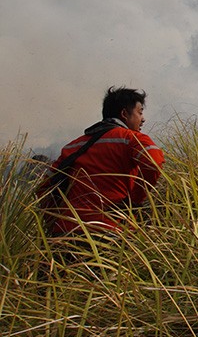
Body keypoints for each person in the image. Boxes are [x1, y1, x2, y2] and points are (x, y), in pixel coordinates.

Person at [45, 86, 164, 236]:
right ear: (124, 114)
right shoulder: (133, 139)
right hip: (109, 232)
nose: (143, 119)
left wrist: (53, 221)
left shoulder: (73, 146)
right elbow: (154, 163)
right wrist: (135, 200)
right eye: (140, 112)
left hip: (65, 233)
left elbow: (45, 186)